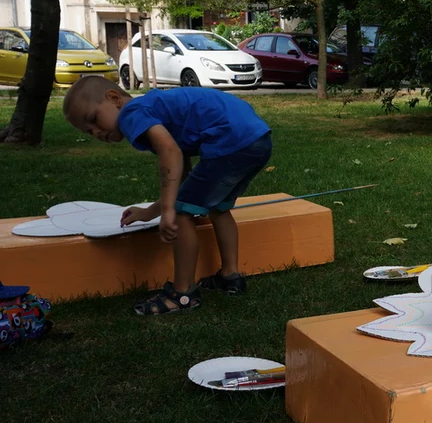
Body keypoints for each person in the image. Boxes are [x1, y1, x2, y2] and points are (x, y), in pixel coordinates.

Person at [62, 77, 273, 314]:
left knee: (182, 215)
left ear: (114, 98)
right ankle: (230, 276)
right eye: (89, 132)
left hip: (229, 141)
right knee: (218, 208)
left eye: (94, 119)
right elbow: (183, 177)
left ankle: (182, 294)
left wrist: (171, 210)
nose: (97, 132)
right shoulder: (154, 108)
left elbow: (170, 152)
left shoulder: (132, 113)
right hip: (255, 138)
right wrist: (151, 211)